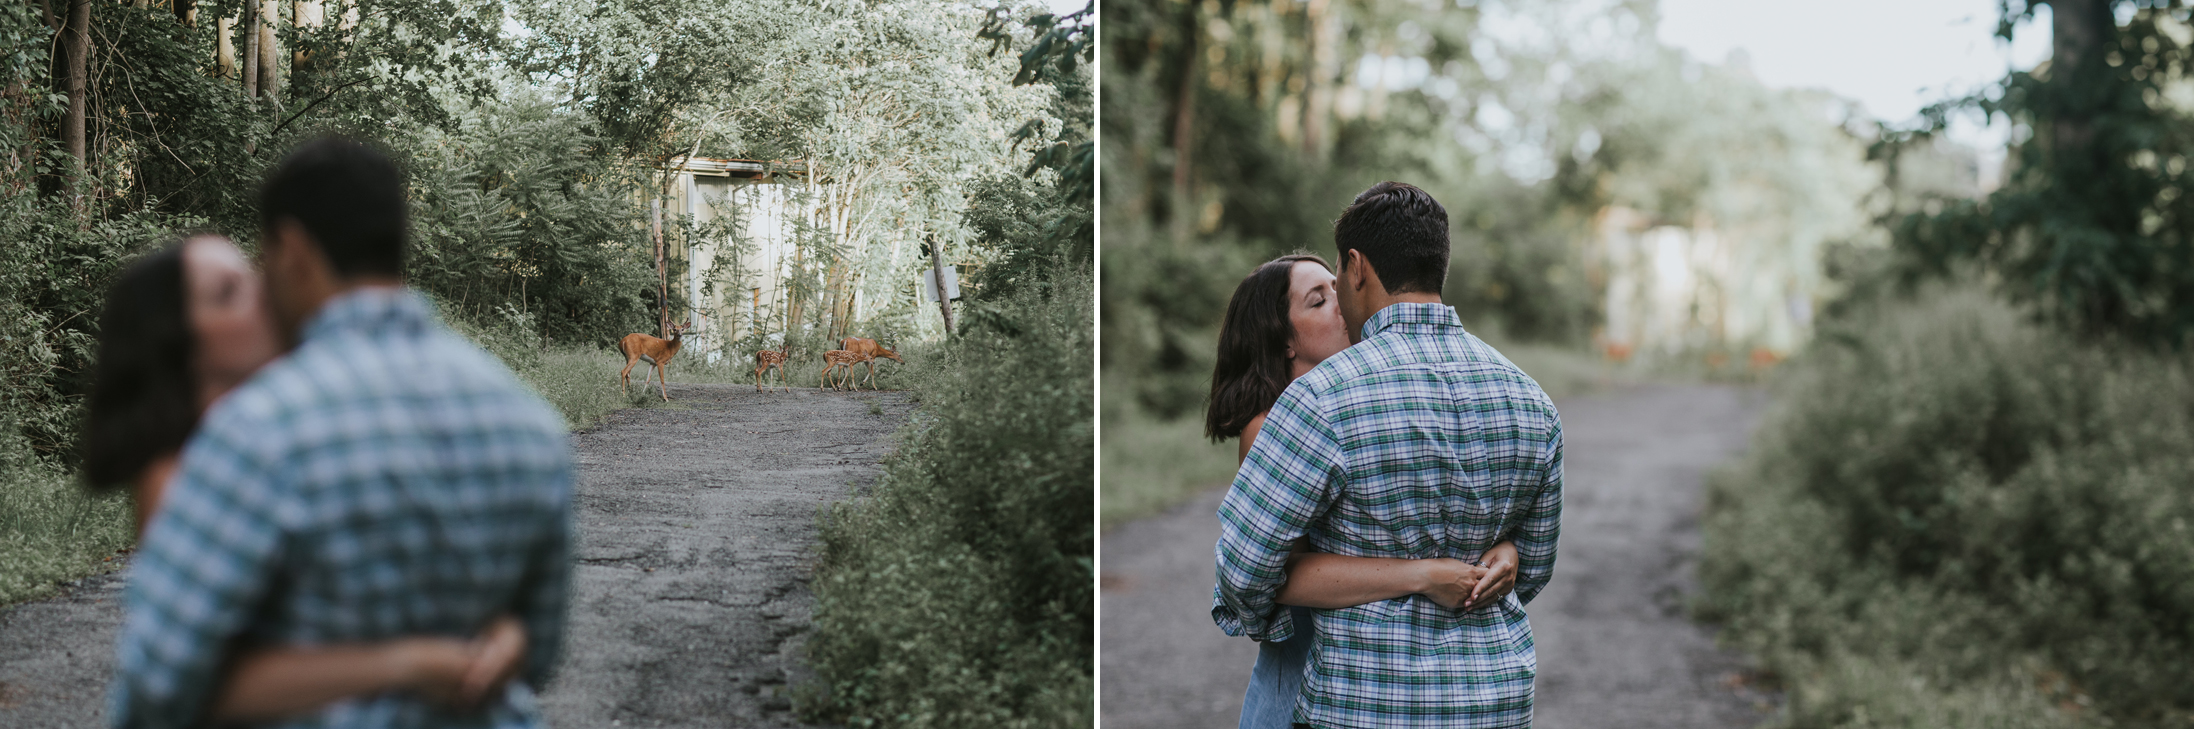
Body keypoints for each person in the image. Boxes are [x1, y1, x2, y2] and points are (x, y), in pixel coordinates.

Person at [106, 137, 577, 729]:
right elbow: (540, 654)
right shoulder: (532, 423)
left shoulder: (263, 432)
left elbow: (160, 682)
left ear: (294, 251)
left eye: (260, 264)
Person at [1213, 182, 1563, 728]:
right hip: (1493, 704)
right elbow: (1535, 569)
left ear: (1356, 268)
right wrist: (1497, 557)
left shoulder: (1322, 399)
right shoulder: (1532, 400)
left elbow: (1244, 572)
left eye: (1335, 282)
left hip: (1363, 705)